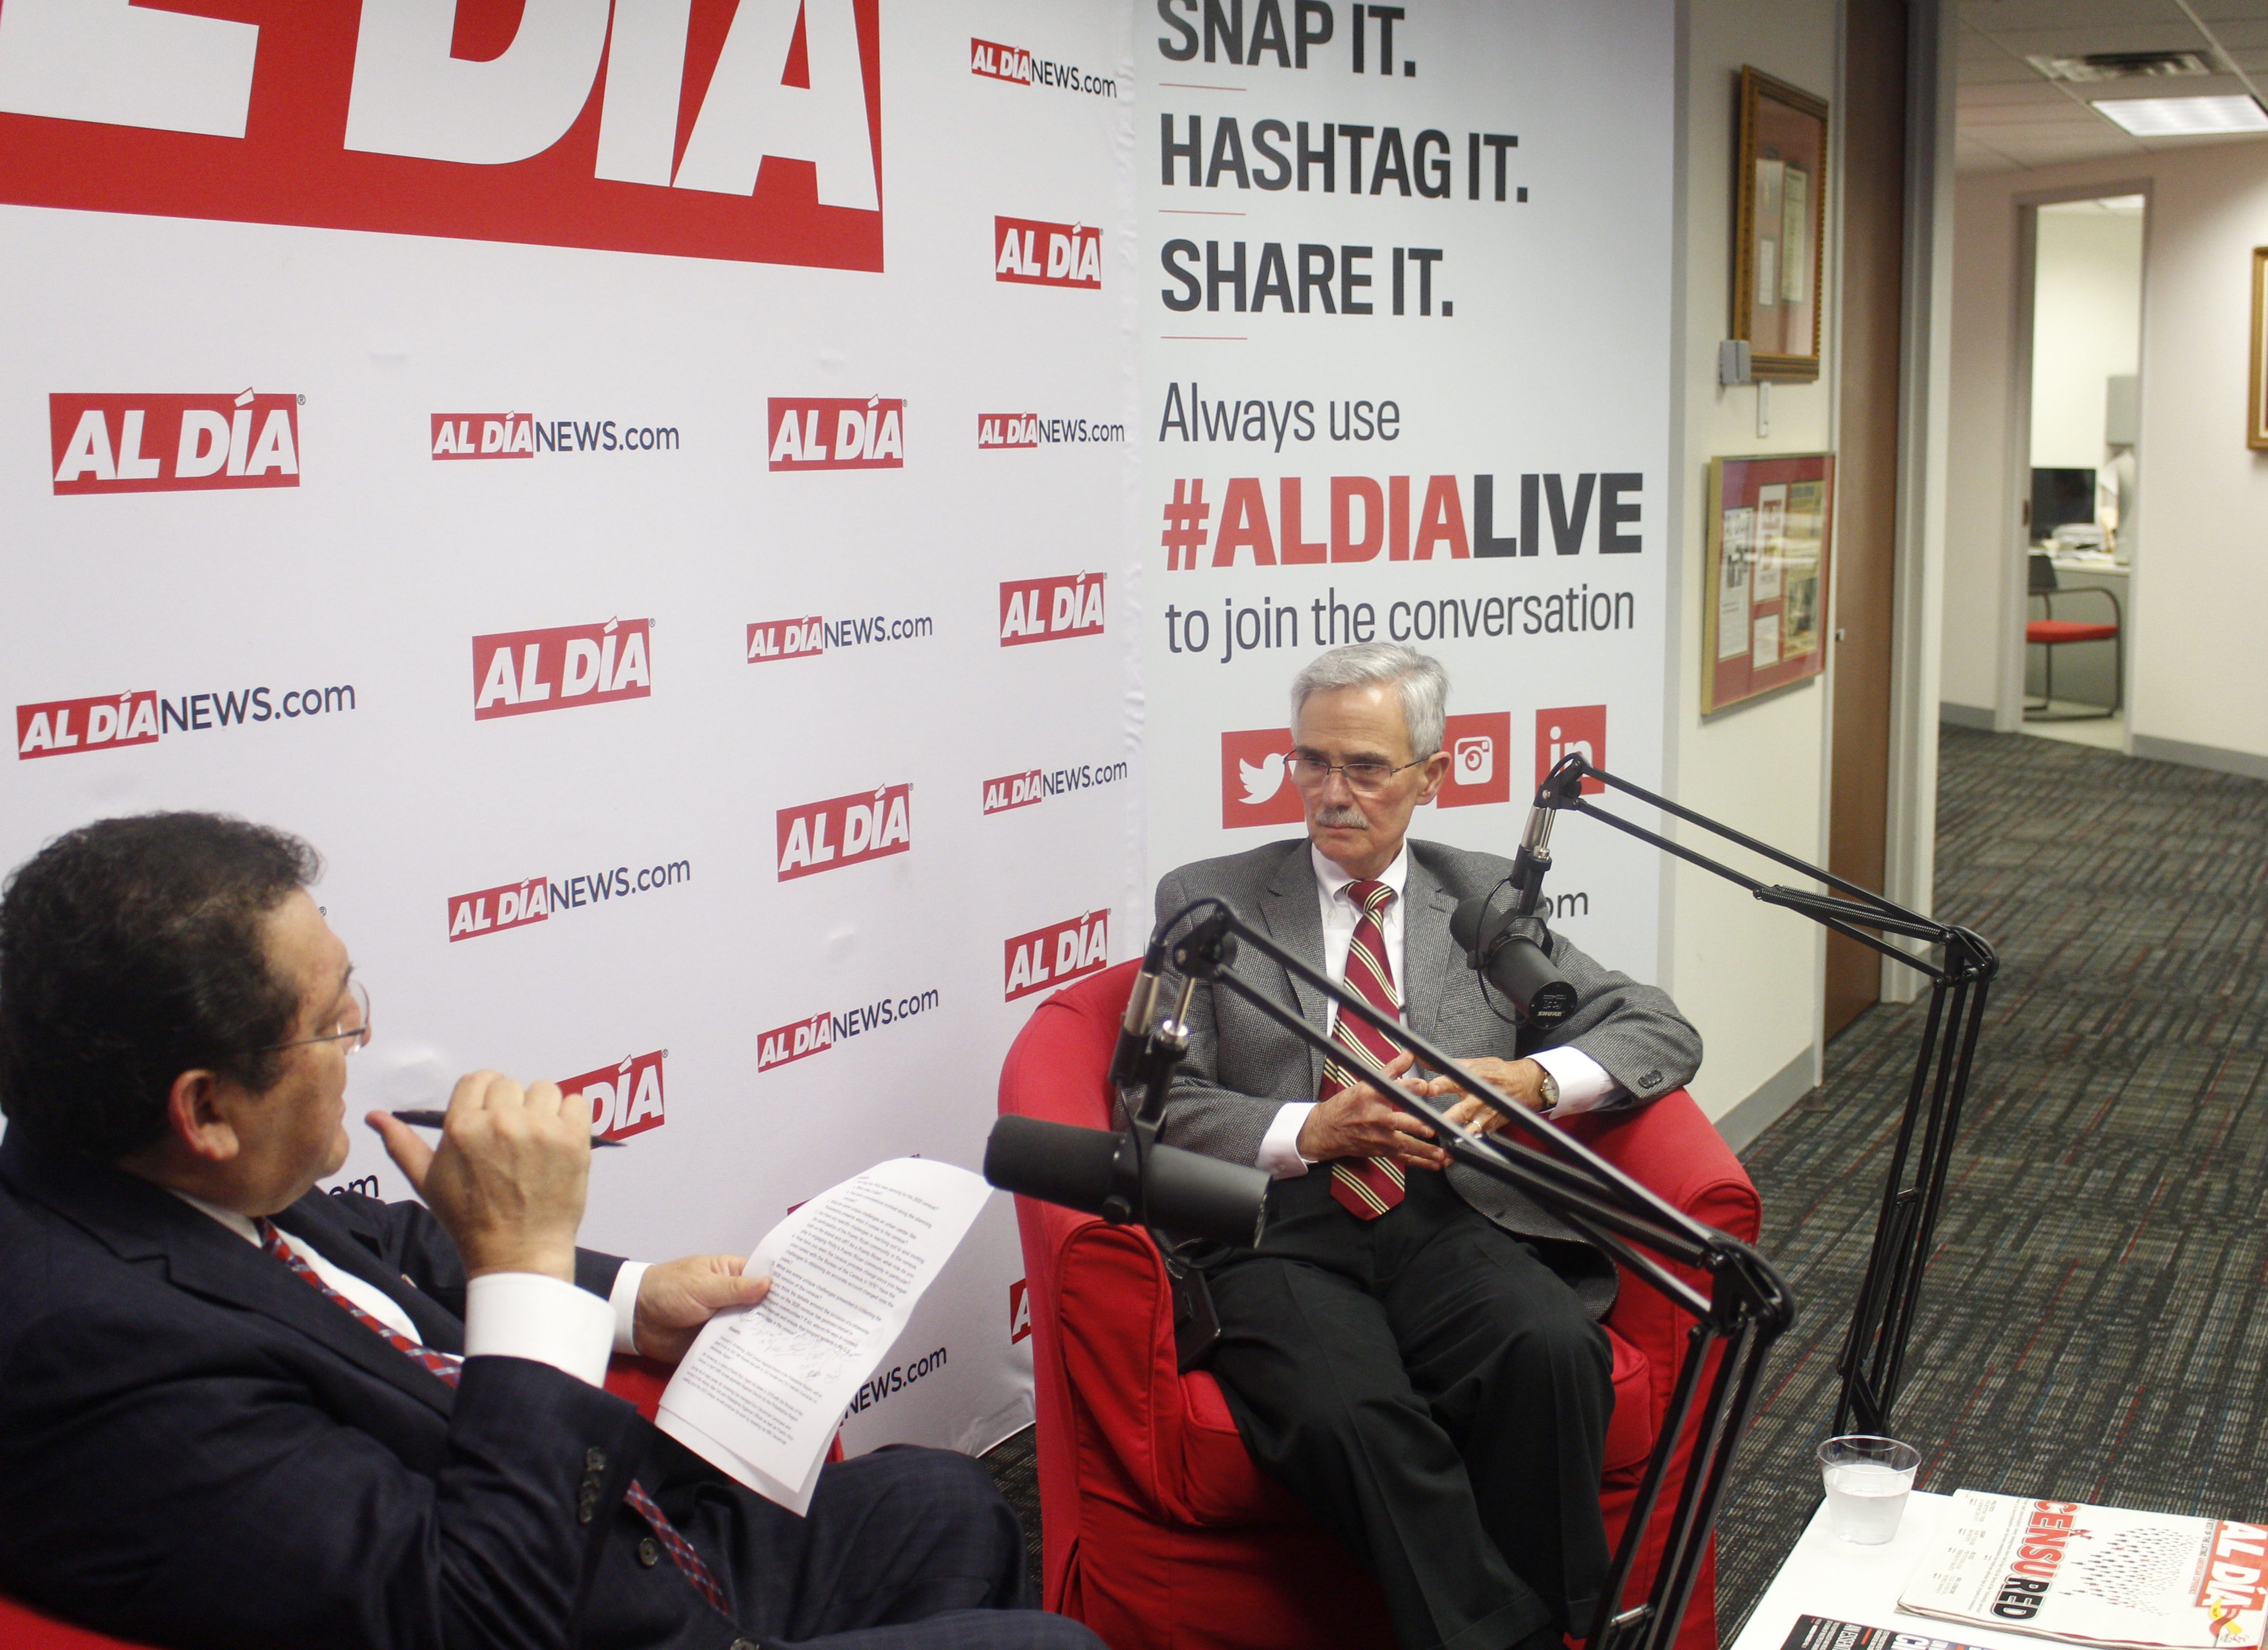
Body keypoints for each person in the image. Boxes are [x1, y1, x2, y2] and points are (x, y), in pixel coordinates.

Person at [0, 812, 1102, 1650]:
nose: (364, 1041)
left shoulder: (151, 1163)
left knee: (942, 1504)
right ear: (206, 1109)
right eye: (334, 1025)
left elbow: (383, 1253)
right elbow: (470, 1613)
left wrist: (630, 1296)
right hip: (531, 1604)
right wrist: (523, 1260)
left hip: (624, 1552)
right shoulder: (89, 1351)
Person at [1140, 644, 1703, 1650]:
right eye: (1312, 763)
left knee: (1547, 1348)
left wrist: (1533, 1079)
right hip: (1281, 1222)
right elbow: (1152, 1103)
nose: (1331, 793)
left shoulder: (1485, 901)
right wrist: (1304, 1130)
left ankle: (1551, 1620)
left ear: (1431, 777)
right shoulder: (1210, 902)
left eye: (1365, 768)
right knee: (1348, 1414)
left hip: (1450, 1208)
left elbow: (1658, 1030)